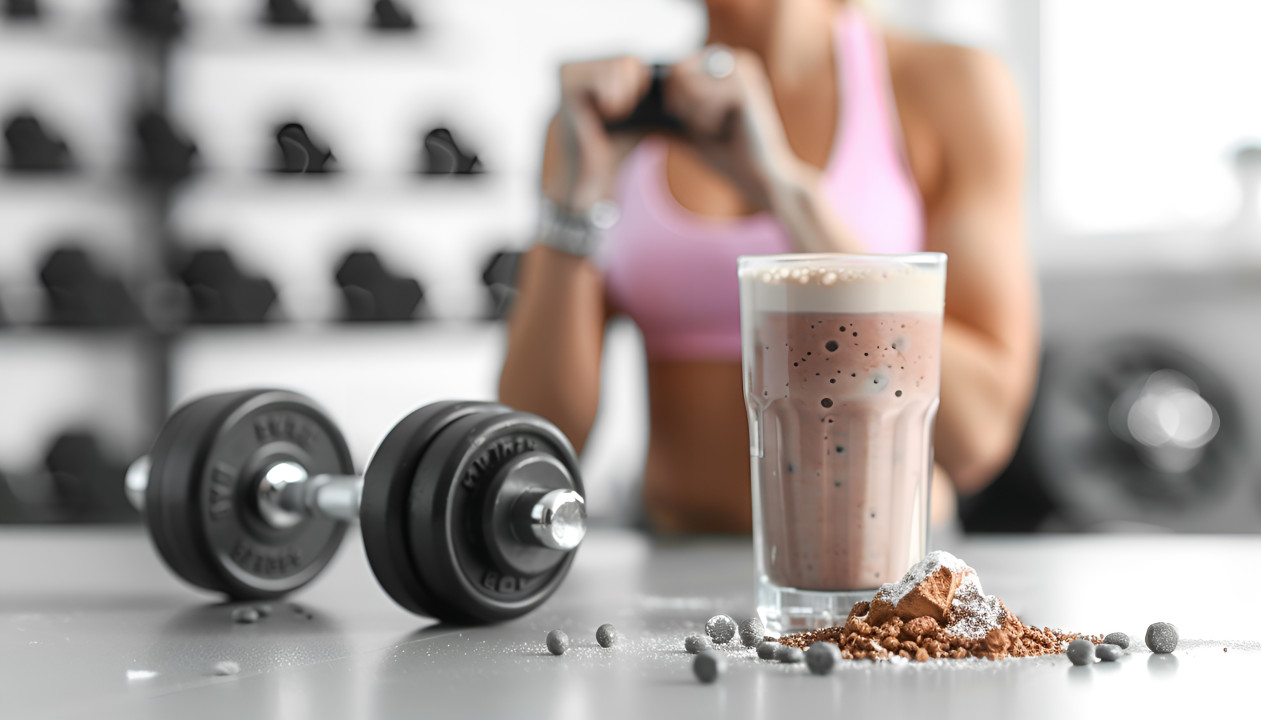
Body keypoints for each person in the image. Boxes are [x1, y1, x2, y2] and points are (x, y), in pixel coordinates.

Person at [499, 0, 1039, 533]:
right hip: (671, 553)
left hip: (890, 565)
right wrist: (572, 205)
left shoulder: (947, 85)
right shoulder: (609, 120)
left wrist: (788, 196)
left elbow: (979, 436)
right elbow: (528, 452)